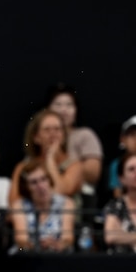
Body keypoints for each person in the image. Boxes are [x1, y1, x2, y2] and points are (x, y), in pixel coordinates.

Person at [46, 83, 104, 214]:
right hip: (45, 194)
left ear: (76, 110)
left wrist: (61, 166)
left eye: (69, 105)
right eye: (58, 105)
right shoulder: (41, 137)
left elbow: (93, 173)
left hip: (80, 196)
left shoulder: (84, 135)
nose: (63, 110)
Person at [9, 109, 84, 206]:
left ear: (64, 136)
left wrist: (50, 160)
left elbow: (62, 193)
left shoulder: (74, 166)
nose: (53, 134)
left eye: (57, 129)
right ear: (36, 137)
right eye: (47, 130)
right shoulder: (23, 167)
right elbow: (14, 202)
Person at [9, 159, 76, 253]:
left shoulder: (66, 203)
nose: (41, 186)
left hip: (58, 255)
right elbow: (21, 240)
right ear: (26, 187)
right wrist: (36, 246)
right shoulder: (19, 206)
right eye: (34, 182)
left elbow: (68, 239)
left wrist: (56, 244)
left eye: (43, 179)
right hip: (27, 256)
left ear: (49, 180)